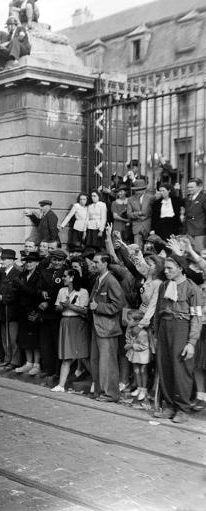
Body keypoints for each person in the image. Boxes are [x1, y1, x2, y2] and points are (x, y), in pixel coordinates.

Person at [154, 255, 201, 423]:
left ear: (180, 268)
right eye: (165, 268)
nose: (165, 271)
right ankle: (169, 405)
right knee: (165, 367)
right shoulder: (164, 286)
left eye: (169, 268)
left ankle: (183, 408)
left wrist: (191, 343)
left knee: (181, 370)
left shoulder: (192, 289)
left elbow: (196, 318)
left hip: (182, 329)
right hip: (164, 328)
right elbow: (158, 310)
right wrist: (155, 334)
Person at [89, 252, 126, 402]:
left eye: (96, 262)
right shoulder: (98, 279)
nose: (93, 264)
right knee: (96, 361)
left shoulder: (111, 281)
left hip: (107, 328)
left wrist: (98, 307)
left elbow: (118, 305)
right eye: (93, 262)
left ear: (105, 264)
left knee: (107, 362)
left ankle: (111, 394)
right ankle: (100, 391)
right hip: (98, 326)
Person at [52, 268, 90, 392]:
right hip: (64, 321)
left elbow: (84, 310)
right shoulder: (62, 290)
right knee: (66, 355)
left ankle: (97, 381)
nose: (63, 278)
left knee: (82, 354)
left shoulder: (83, 292)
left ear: (72, 277)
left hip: (77, 323)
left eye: (65, 276)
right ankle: (61, 385)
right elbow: (57, 307)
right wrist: (61, 307)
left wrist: (70, 306)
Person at [37, 248, 67, 380]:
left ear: (64, 261)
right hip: (45, 313)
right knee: (45, 342)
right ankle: (47, 368)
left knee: (57, 342)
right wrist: (41, 292)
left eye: (59, 260)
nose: (56, 263)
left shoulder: (66, 273)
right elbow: (39, 287)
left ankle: (57, 370)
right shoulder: (46, 272)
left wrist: (48, 303)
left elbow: (62, 291)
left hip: (57, 313)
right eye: (54, 259)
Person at [13, 252, 42, 375]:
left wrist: (21, 286)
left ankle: (36, 364)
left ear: (37, 263)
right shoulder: (23, 274)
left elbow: (36, 292)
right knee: (24, 337)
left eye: (31, 262)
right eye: (27, 262)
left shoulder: (39, 275)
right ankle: (28, 363)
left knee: (34, 339)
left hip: (33, 310)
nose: (28, 264)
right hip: (22, 309)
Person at [0, 249, 22, 369]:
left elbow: (16, 292)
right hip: (3, 309)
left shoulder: (17, 273)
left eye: (5, 259)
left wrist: (4, 297)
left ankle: (15, 361)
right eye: (2, 259)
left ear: (12, 260)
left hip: (12, 310)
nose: (2, 261)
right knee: (5, 335)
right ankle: (7, 358)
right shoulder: (2, 273)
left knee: (13, 337)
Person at [124, 309, 151, 402]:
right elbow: (128, 337)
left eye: (129, 320)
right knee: (136, 370)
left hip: (142, 355)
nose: (127, 321)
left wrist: (131, 345)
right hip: (135, 354)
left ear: (137, 321)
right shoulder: (129, 329)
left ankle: (144, 389)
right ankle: (139, 388)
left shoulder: (143, 333)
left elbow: (144, 346)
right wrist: (128, 342)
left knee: (143, 371)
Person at [127, 179, 154, 249]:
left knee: (149, 249)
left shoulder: (150, 198)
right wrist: (138, 213)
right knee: (137, 249)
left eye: (141, 190)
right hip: (136, 227)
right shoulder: (130, 199)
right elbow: (129, 214)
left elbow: (154, 211)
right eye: (137, 190)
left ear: (144, 189)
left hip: (148, 226)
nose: (139, 192)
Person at [183, 178, 206, 251]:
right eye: (188, 187)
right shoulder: (188, 198)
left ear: (199, 187)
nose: (189, 189)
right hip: (188, 230)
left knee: (199, 253)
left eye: (191, 187)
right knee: (189, 254)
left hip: (199, 231)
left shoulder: (203, 198)